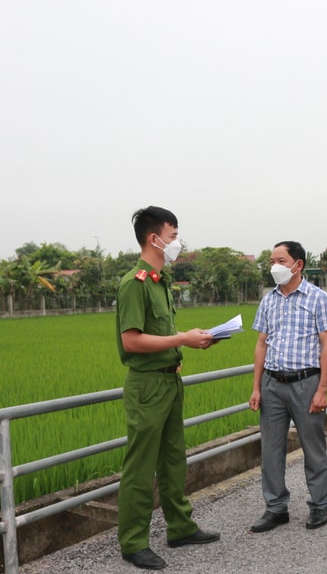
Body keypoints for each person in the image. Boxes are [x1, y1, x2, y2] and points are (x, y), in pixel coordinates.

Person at [115, 206, 220, 570]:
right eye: (173, 237)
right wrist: (182, 338)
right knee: (141, 468)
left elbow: (162, 336)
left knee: (174, 461)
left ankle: (180, 527)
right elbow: (131, 341)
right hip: (147, 387)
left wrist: (195, 340)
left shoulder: (161, 283)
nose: (176, 244)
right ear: (153, 238)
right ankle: (132, 542)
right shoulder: (136, 283)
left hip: (170, 380)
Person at [248, 241, 327, 532]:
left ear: (298, 265)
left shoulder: (317, 298)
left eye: (281, 260)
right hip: (273, 383)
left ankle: (320, 505)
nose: (274, 266)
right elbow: (261, 343)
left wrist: (322, 389)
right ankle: (275, 508)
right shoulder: (268, 300)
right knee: (271, 450)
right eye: (272, 260)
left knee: (313, 448)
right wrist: (257, 387)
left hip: (306, 382)